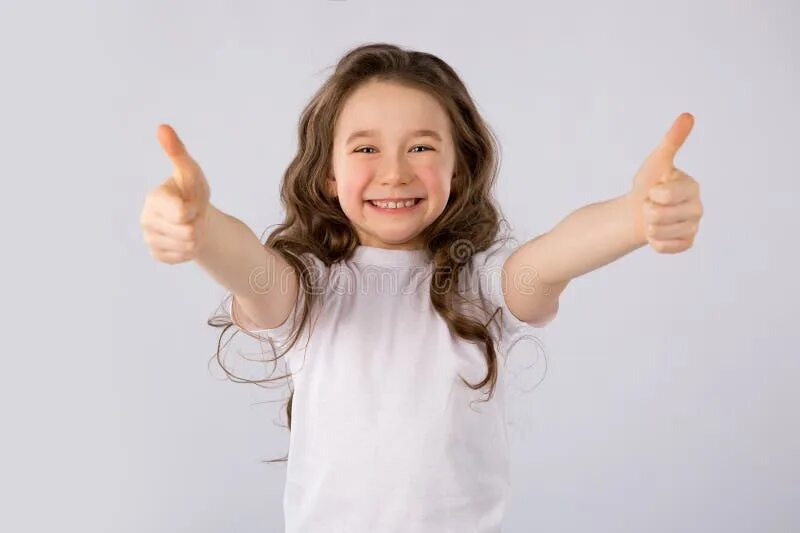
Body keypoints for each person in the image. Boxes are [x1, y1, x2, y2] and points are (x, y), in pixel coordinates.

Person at [139, 42, 704, 532]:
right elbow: (252, 270)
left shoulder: (480, 285)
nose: (394, 172)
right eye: (365, 148)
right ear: (329, 175)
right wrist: (200, 226)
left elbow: (553, 257)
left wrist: (634, 216)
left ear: (458, 169)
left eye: (422, 147)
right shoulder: (308, 289)